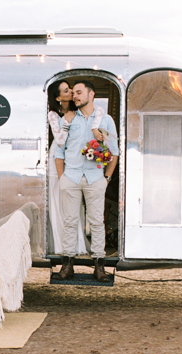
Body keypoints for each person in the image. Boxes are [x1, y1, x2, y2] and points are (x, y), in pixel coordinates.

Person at [54, 81, 118, 282]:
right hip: (71, 177)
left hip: (95, 177)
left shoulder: (105, 120)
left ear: (92, 94)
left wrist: (106, 178)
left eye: (79, 93)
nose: (75, 96)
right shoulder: (69, 119)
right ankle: (67, 265)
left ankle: (99, 267)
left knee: (97, 223)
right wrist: (61, 178)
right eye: (73, 94)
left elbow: (114, 151)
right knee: (70, 222)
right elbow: (59, 151)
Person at [47, 82, 105, 255]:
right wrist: (67, 123)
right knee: (60, 200)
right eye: (66, 91)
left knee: (75, 205)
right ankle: (61, 246)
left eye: (71, 89)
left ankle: (79, 245)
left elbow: (99, 112)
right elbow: (59, 140)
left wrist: (94, 128)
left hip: (74, 159)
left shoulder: (80, 110)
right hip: (57, 156)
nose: (71, 92)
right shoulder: (53, 114)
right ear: (58, 98)